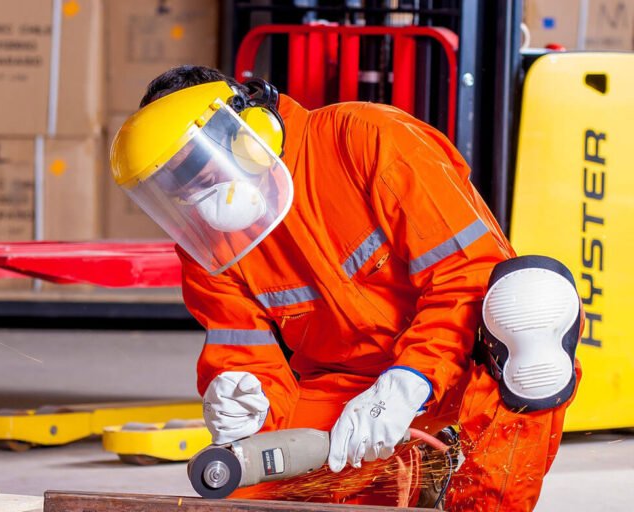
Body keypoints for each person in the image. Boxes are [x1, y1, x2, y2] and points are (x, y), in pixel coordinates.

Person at [109, 65, 583, 511]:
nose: (193, 193)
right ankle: (416, 473)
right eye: (174, 185)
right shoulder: (207, 243)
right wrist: (241, 397)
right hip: (348, 392)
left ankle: (475, 504)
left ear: (246, 132)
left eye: (196, 168)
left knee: (531, 309)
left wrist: (409, 381)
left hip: (460, 364)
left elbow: (469, 276)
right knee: (243, 478)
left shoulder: (368, 139)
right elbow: (242, 351)